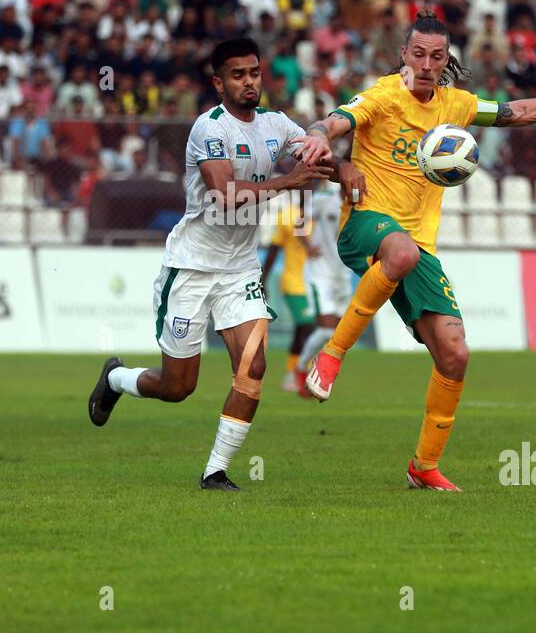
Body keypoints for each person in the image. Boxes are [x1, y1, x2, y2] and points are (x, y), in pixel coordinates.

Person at [295, 11, 536, 491]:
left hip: (415, 247)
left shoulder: (456, 105)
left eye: (436, 56)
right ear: (402, 56)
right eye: (417, 54)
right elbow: (333, 122)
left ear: (445, 60)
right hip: (366, 226)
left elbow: (519, 112)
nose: (427, 65)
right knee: (402, 253)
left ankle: (424, 466)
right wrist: (319, 139)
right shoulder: (382, 96)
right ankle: (331, 356)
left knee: (454, 354)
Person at [86, 38, 361, 491]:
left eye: (254, 72)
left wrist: (342, 167)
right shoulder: (209, 129)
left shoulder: (276, 125)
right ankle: (116, 378)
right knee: (178, 387)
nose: (249, 82)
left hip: (239, 270)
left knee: (252, 368)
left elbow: (315, 154)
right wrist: (288, 180)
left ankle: (215, 471)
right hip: (191, 267)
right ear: (219, 83)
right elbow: (225, 195)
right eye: (238, 75)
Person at [295, 179, 353, 394]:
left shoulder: (362, 206)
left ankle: (316, 376)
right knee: (326, 329)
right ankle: (301, 369)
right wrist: (308, 247)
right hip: (320, 272)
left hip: (342, 275)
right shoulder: (322, 200)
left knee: (337, 334)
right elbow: (299, 225)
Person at [260, 197, 317, 393]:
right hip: (294, 282)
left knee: (311, 330)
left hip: (318, 283)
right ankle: (293, 374)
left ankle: (305, 373)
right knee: (305, 325)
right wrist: (263, 279)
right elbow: (274, 250)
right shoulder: (287, 216)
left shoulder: (323, 213)